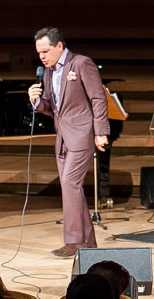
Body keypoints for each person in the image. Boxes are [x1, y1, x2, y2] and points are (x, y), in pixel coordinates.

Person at [28, 27, 110, 258]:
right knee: (71, 187)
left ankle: (73, 242)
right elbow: (48, 106)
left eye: (45, 51)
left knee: (70, 183)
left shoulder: (81, 63)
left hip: (82, 133)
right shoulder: (48, 72)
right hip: (62, 136)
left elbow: (98, 98)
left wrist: (101, 131)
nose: (42, 56)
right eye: (39, 52)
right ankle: (88, 242)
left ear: (60, 46)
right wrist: (35, 101)